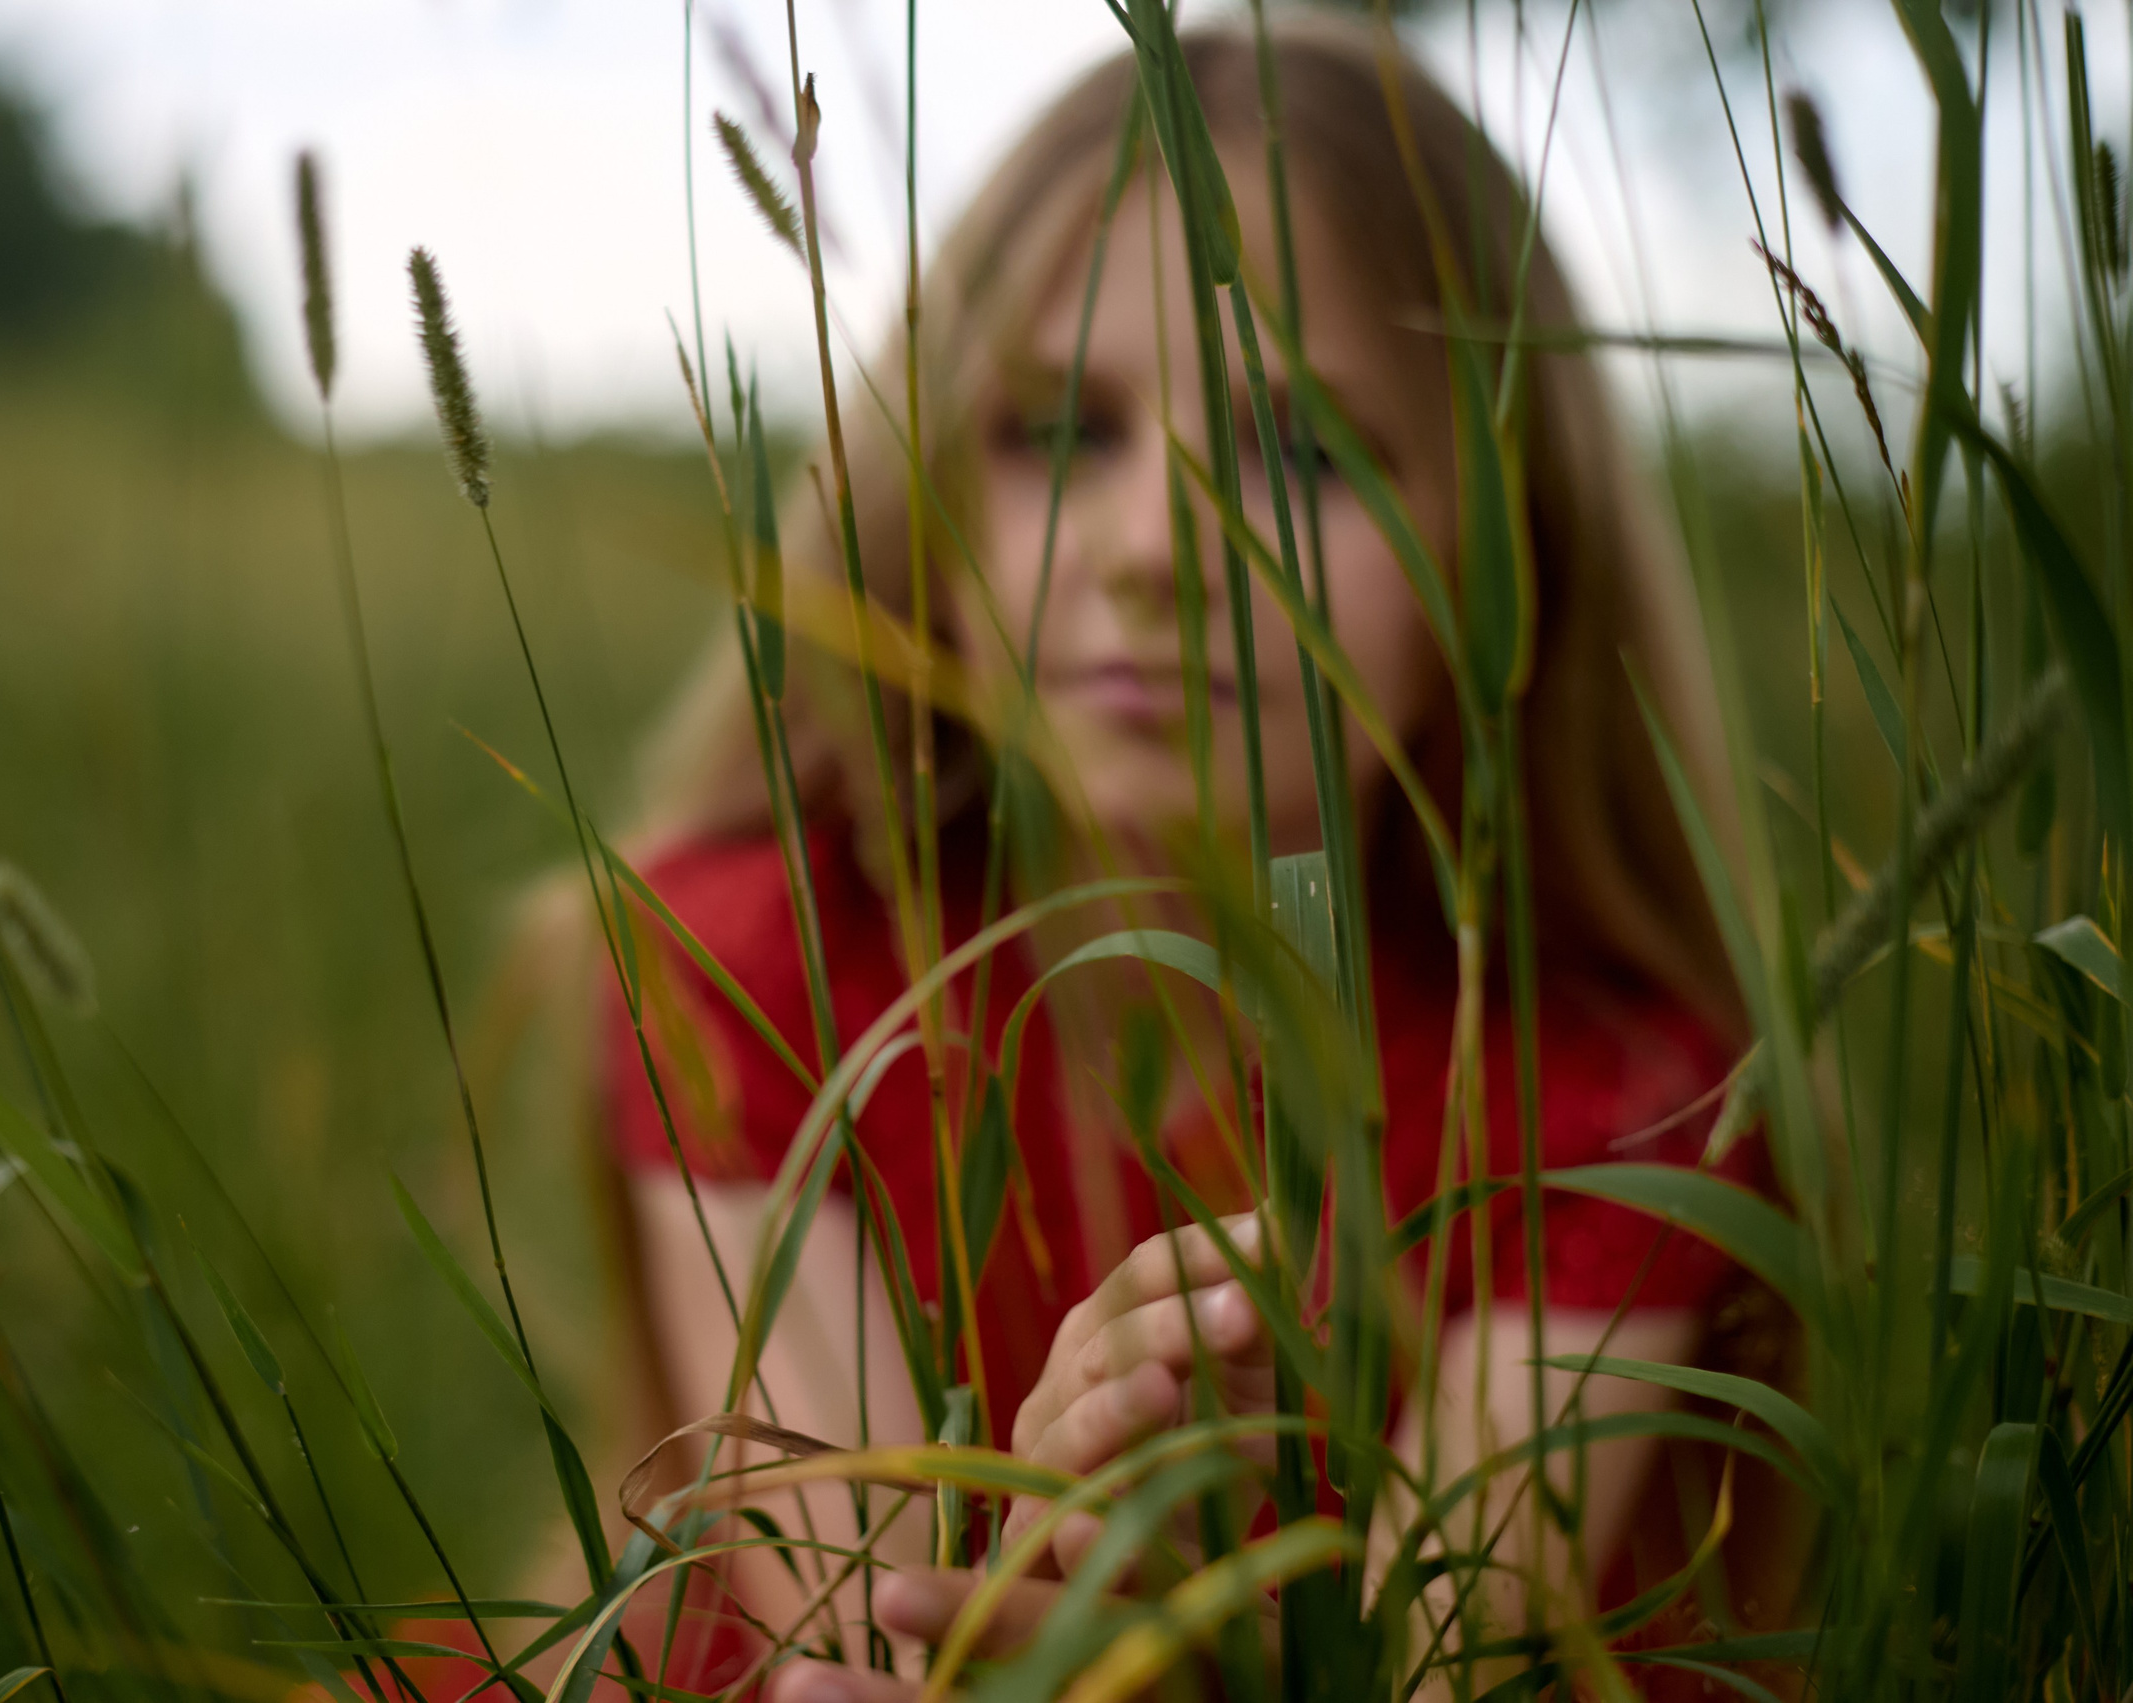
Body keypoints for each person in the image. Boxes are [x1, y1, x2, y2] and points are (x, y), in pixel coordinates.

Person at [563, 14, 1793, 1700]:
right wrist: (1046, 1566)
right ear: (920, 492)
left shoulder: (1616, 1113)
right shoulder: (756, 971)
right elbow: (849, 1657)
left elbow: (1442, 1669)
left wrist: (1146, 1612)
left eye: (1303, 452)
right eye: (1059, 433)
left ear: (1513, 550)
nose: (1156, 548)